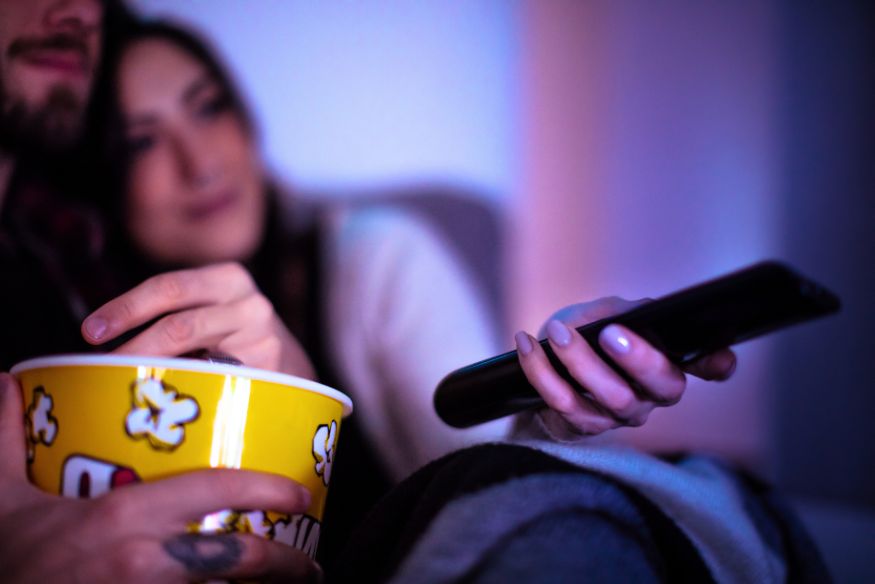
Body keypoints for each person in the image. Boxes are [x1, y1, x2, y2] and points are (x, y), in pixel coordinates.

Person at [75, 18, 744, 577]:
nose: (202, 163)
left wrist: (557, 399)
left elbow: (491, 478)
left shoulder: (376, 255)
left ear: (246, 122)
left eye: (209, 106)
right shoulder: (82, 341)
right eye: (140, 141)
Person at [0, 2, 320, 581]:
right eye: (140, 142)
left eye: (209, 107)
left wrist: (296, 409)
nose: (75, 10)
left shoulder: (67, 256)